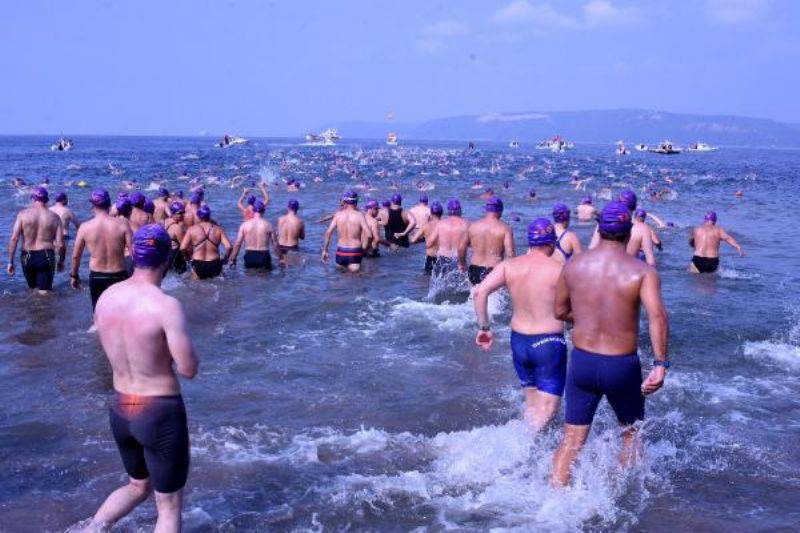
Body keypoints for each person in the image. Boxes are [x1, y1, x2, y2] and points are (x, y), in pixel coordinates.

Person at [550, 201, 669, 487]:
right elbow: (657, 317)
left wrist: (589, 318)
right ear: (629, 233)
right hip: (620, 365)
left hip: (582, 363)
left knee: (572, 440)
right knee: (631, 434)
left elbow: (559, 311)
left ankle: (553, 502)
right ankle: (622, 496)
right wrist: (660, 364)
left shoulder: (574, 264)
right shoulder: (642, 272)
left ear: (599, 231)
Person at [89, 224, 198, 533]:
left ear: (133, 255)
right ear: (166, 258)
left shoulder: (107, 297)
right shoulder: (165, 306)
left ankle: (90, 529)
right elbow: (188, 369)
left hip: (121, 408)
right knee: (169, 505)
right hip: (158, 411)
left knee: (138, 485)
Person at [473, 218, 565, 430]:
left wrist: (484, 328)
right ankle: (523, 453)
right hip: (548, 343)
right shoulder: (559, 269)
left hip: (519, 342)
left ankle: (527, 445)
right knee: (548, 409)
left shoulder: (509, 266)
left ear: (530, 242)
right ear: (551, 243)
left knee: (533, 406)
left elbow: (479, 292)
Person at [71, 190, 133, 311]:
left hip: (97, 276)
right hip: (119, 275)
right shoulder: (123, 225)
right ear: (109, 205)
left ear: (93, 206)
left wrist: (74, 276)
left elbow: (76, 256)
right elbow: (133, 253)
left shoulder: (85, 227)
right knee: (120, 313)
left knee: (98, 314)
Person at [7, 187, 65, 294]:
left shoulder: (22, 215)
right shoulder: (55, 217)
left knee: (32, 290)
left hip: (27, 256)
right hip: (46, 256)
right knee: (45, 293)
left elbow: (14, 238)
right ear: (47, 200)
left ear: (33, 199)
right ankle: (46, 310)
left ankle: (32, 310)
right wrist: (61, 261)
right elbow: (60, 244)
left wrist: (10, 262)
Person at [589, 190, 655, 266]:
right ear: (634, 208)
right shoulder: (643, 229)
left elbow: (591, 249)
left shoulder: (605, 222)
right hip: (628, 272)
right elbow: (651, 262)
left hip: (603, 269)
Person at [466, 197, 515, 285]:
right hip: (493, 271)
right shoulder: (505, 229)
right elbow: (510, 254)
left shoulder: (473, 226)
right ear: (500, 210)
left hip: (473, 270)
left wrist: (461, 263)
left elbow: (462, 247)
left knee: (476, 295)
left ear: (486, 209)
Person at [321, 191, 370, 273]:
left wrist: (325, 250)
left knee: (341, 279)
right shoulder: (360, 215)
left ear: (345, 201)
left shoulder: (338, 215)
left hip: (341, 251)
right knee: (356, 280)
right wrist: (364, 249)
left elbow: (328, 233)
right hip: (355, 251)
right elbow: (369, 235)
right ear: (356, 201)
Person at [180, 205, 231, 280]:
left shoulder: (192, 229)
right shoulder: (218, 229)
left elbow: (182, 247)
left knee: (195, 289)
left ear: (198, 216)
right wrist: (225, 259)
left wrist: (187, 258)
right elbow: (229, 247)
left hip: (198, 263)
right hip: (214, 263)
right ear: (209, 215)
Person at [230, 200, 278, 270]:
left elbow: (238, 243)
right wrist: (281, 258)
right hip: (264, 256)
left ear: (253, 210)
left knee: (250, 279)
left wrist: (233, 258)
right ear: (264, 210)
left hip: (250, 256)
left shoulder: (244, 225)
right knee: (266, 279)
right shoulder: (268, 225)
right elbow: (275, 244)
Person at [428, 198, 469, 275]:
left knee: (440, 285)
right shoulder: (466, 224)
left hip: (442, 260)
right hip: (458, 261)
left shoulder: (440, 224)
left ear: (448, 211)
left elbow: (429, 243)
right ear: (460, 210)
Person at [411, 200, 443, 273]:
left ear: (431, 213)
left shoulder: (426, 226)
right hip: (442, 258)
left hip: (430, 258)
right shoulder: (445, 225)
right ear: (441, 213)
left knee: (427, 280)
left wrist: (424, 239)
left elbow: (413, 240)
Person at [163, 201, 188, 274]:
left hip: (164, 256)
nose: (183, 215)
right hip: (174, 256)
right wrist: (188, 258)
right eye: (180, 213)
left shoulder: (163, 222)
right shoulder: (177, 228)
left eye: (184, 212)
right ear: (173, 213)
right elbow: (184, 247)